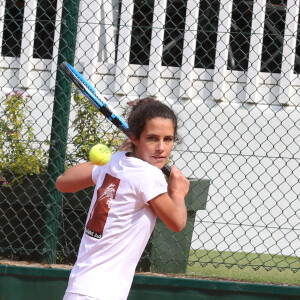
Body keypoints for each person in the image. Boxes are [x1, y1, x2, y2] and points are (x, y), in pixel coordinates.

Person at [56, 98, 190, 300]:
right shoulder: (149, 176)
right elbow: (177, 223)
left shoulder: (115, 162)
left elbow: (62, 182)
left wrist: (106, 162)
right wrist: (178, 194)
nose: (161, 147)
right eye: (152, 138)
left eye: (168, 139)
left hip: (80, 288)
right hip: (103, 293)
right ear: (135, 138)